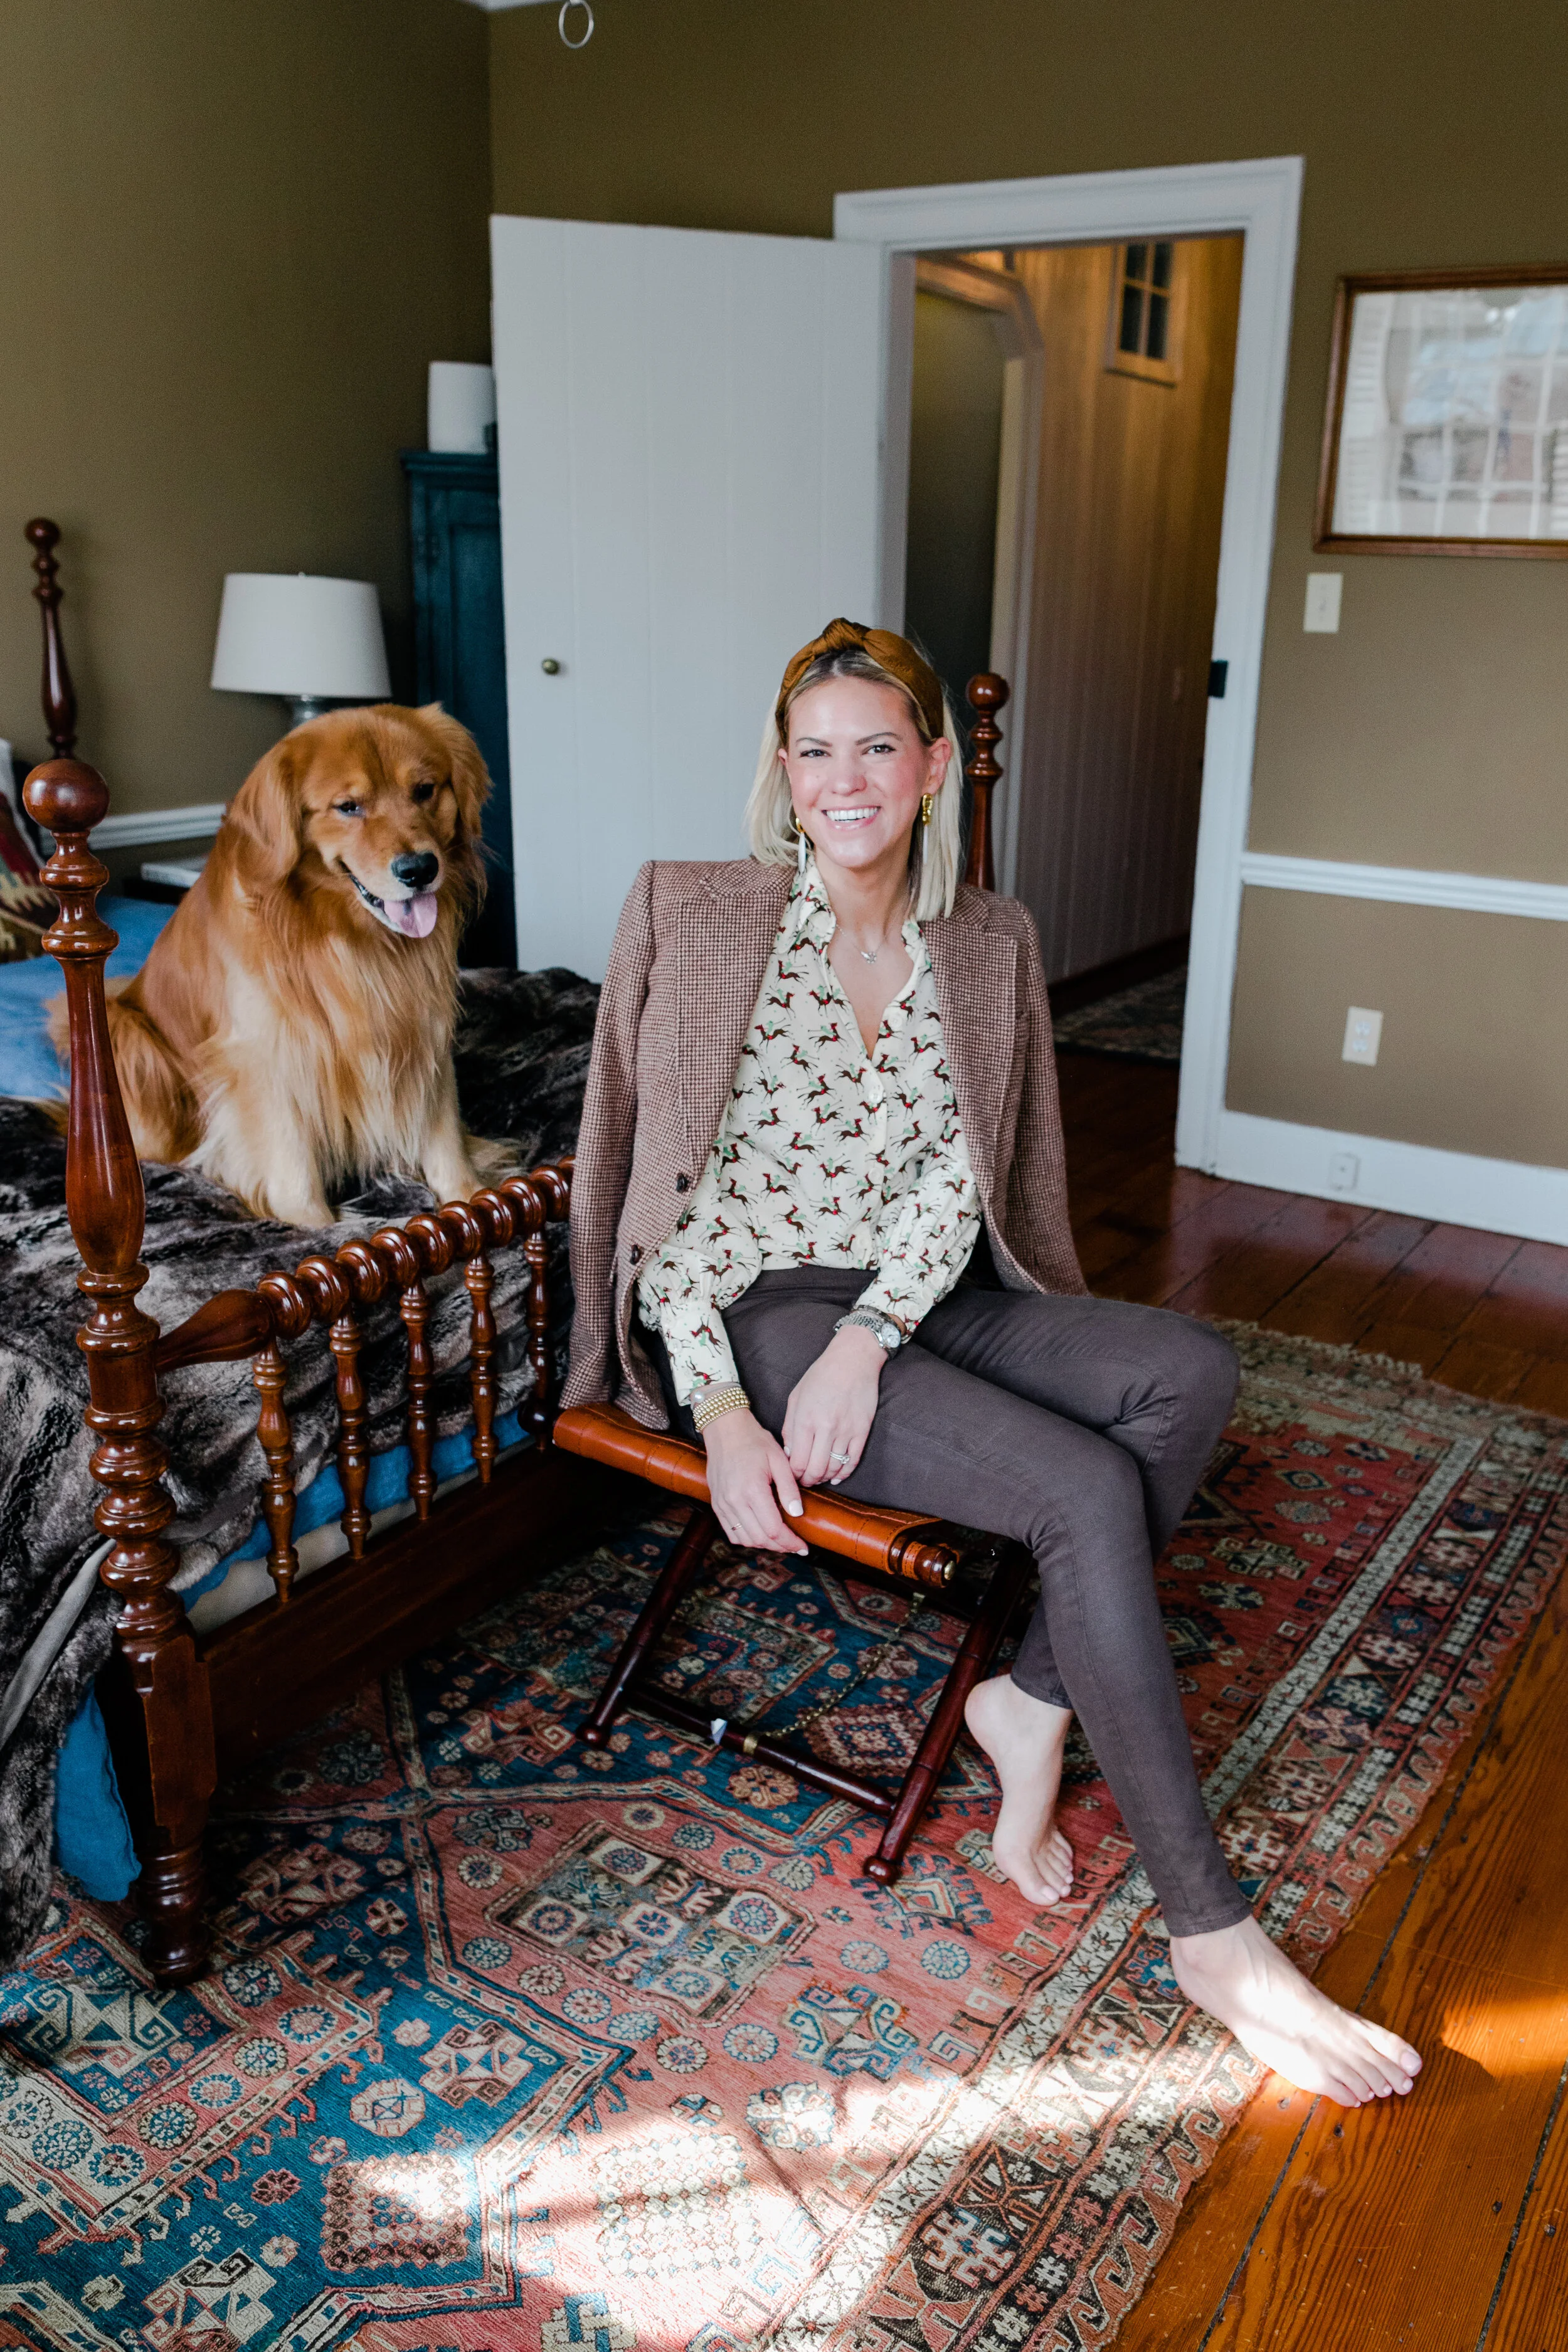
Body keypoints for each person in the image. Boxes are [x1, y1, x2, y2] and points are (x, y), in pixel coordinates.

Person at [563, 616, 1421, 2109]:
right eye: (814, 751)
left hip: (908, 1294)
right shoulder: (693, 916)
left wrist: (872, 1342)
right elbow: (655, 1199)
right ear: (783, 772)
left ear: (933, 767)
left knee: (1186, 1374)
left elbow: (960, 1179)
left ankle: (1027, 1692)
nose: (845, 781)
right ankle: (1212, 1937)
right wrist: (719, 1400)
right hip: (756, 1308)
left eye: (876, 748)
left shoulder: (986, 937)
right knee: (1083, 1491)